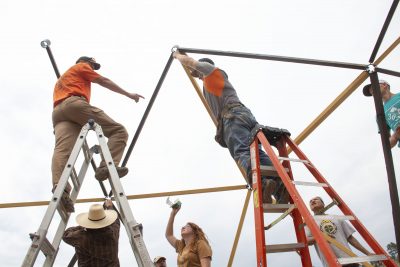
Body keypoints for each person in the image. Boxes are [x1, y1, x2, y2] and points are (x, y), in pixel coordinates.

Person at [172, 51, 287, 203]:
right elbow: (192, 69)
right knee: (256, 152)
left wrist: (177, 56)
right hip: (242, 115)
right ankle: (280, 188)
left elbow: (192, 63)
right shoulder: (210, 80)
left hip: (233, 117)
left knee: (242, 151)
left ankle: (263, 183)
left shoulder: (210, 71)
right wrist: (184, 58)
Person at [51, 56, 144, 212]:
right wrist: (129, 94)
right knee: (118, 131)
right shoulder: (81, 66)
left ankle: (59, 188)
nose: (93, 69)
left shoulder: (64, 79)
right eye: (93, 66)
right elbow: (103, 81)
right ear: (88, 62)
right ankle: (106, 167)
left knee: (62, 150)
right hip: (74, 104)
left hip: (58, 112)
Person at [305, 196, 372, 267]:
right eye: (310, 201)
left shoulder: (336, 218)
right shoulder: (309, 222)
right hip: (331, 263)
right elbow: (306, 241)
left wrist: (367, 253)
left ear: (323, 203)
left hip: (349, 260)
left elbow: (350, 238)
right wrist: (321, 237)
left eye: (315, 199)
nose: (312, 201)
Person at [62, 199, 120, 267]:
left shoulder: (82, 237)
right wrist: (110, 206)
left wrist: (82, 226)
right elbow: (116, 221)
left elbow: (66, 235)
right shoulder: (113, 234)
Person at [363, 79, 400, 148]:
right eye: (371, 92)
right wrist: (396, 135)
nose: (372, 91)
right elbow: (387, 145)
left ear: (384, 85)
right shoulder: (380, 114)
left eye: (374, 87)